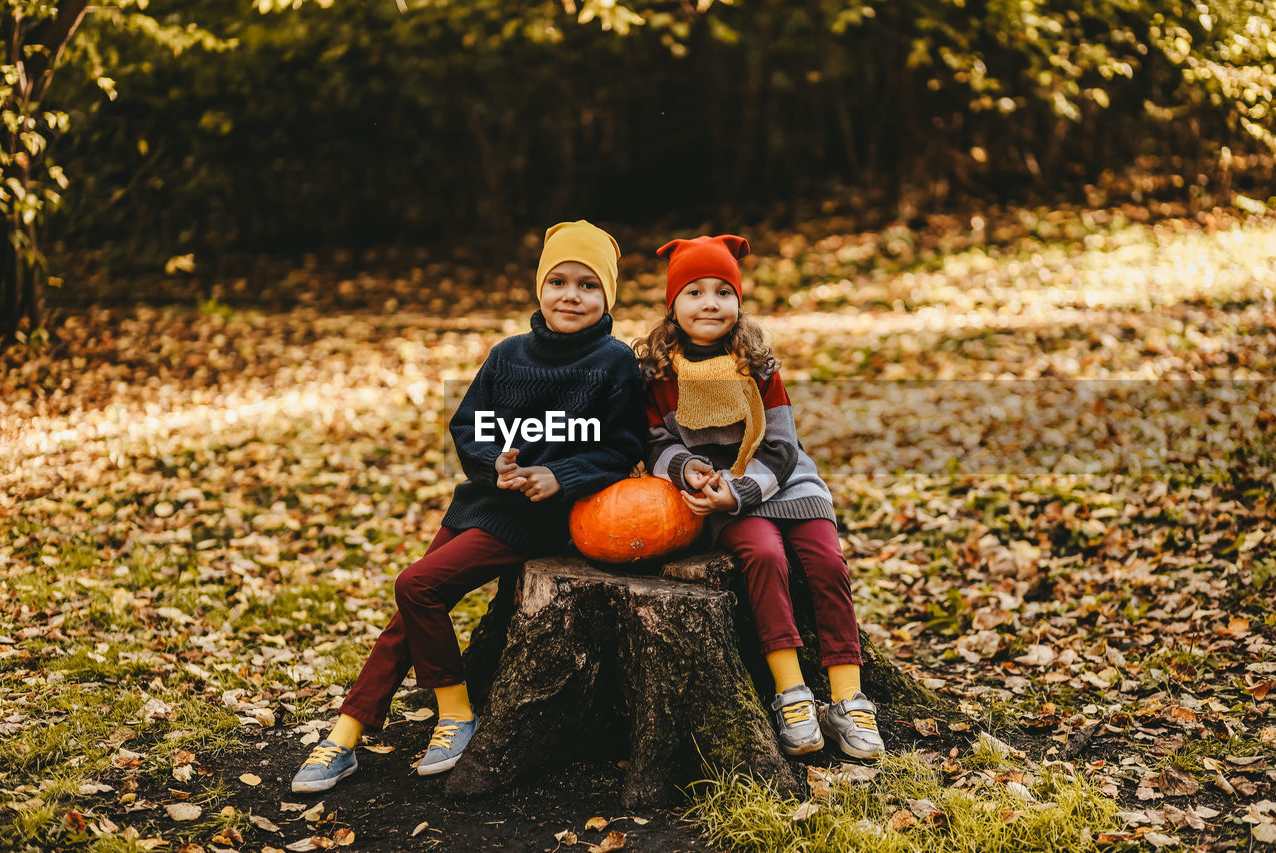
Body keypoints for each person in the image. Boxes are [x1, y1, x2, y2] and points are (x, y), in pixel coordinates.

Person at [291, 221, 646, 792]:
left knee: (416, 586)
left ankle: (455, 714)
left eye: (587, 285)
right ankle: (345, 735)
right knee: (405, 619)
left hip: (543, 519)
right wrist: (493, 465)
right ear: (539, 288)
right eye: (558, 281)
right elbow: (469, 426)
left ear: (608, 296)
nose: (571, 296)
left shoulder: (614, 362)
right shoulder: (507, 356)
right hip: (483, 503)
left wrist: (559, 475)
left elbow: (624, 447)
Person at [634, 234, 885, 760]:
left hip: (780, 479)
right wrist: (690, 471)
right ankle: (791, 691)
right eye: (694, 292)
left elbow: (781, 446)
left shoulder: (758, 365)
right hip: (719, 492)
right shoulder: (658, 373)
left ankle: (847, 695)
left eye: (723, 292)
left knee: (826, 563)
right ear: (672, 304)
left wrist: (745, 490)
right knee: (765, 556)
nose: (709, 303)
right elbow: (655, 441)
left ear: (738, 302)